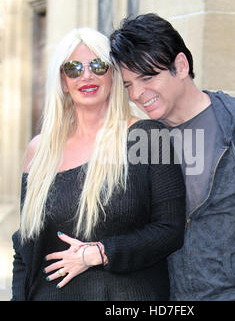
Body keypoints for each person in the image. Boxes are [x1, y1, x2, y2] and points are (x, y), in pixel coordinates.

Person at [110, 13, 235, 301]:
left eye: (148, 77)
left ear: (181, 65)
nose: (137, 93)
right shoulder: (146, 139)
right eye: (128, 85)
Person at [11, 27, 186, 301]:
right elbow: (25, 249)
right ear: (62, 80)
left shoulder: (147, 137)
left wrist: (100, 252)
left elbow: (170, 231)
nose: (86, 75)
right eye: (73, 68)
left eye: (98, 65)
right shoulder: (39, 150)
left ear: (114, 74)